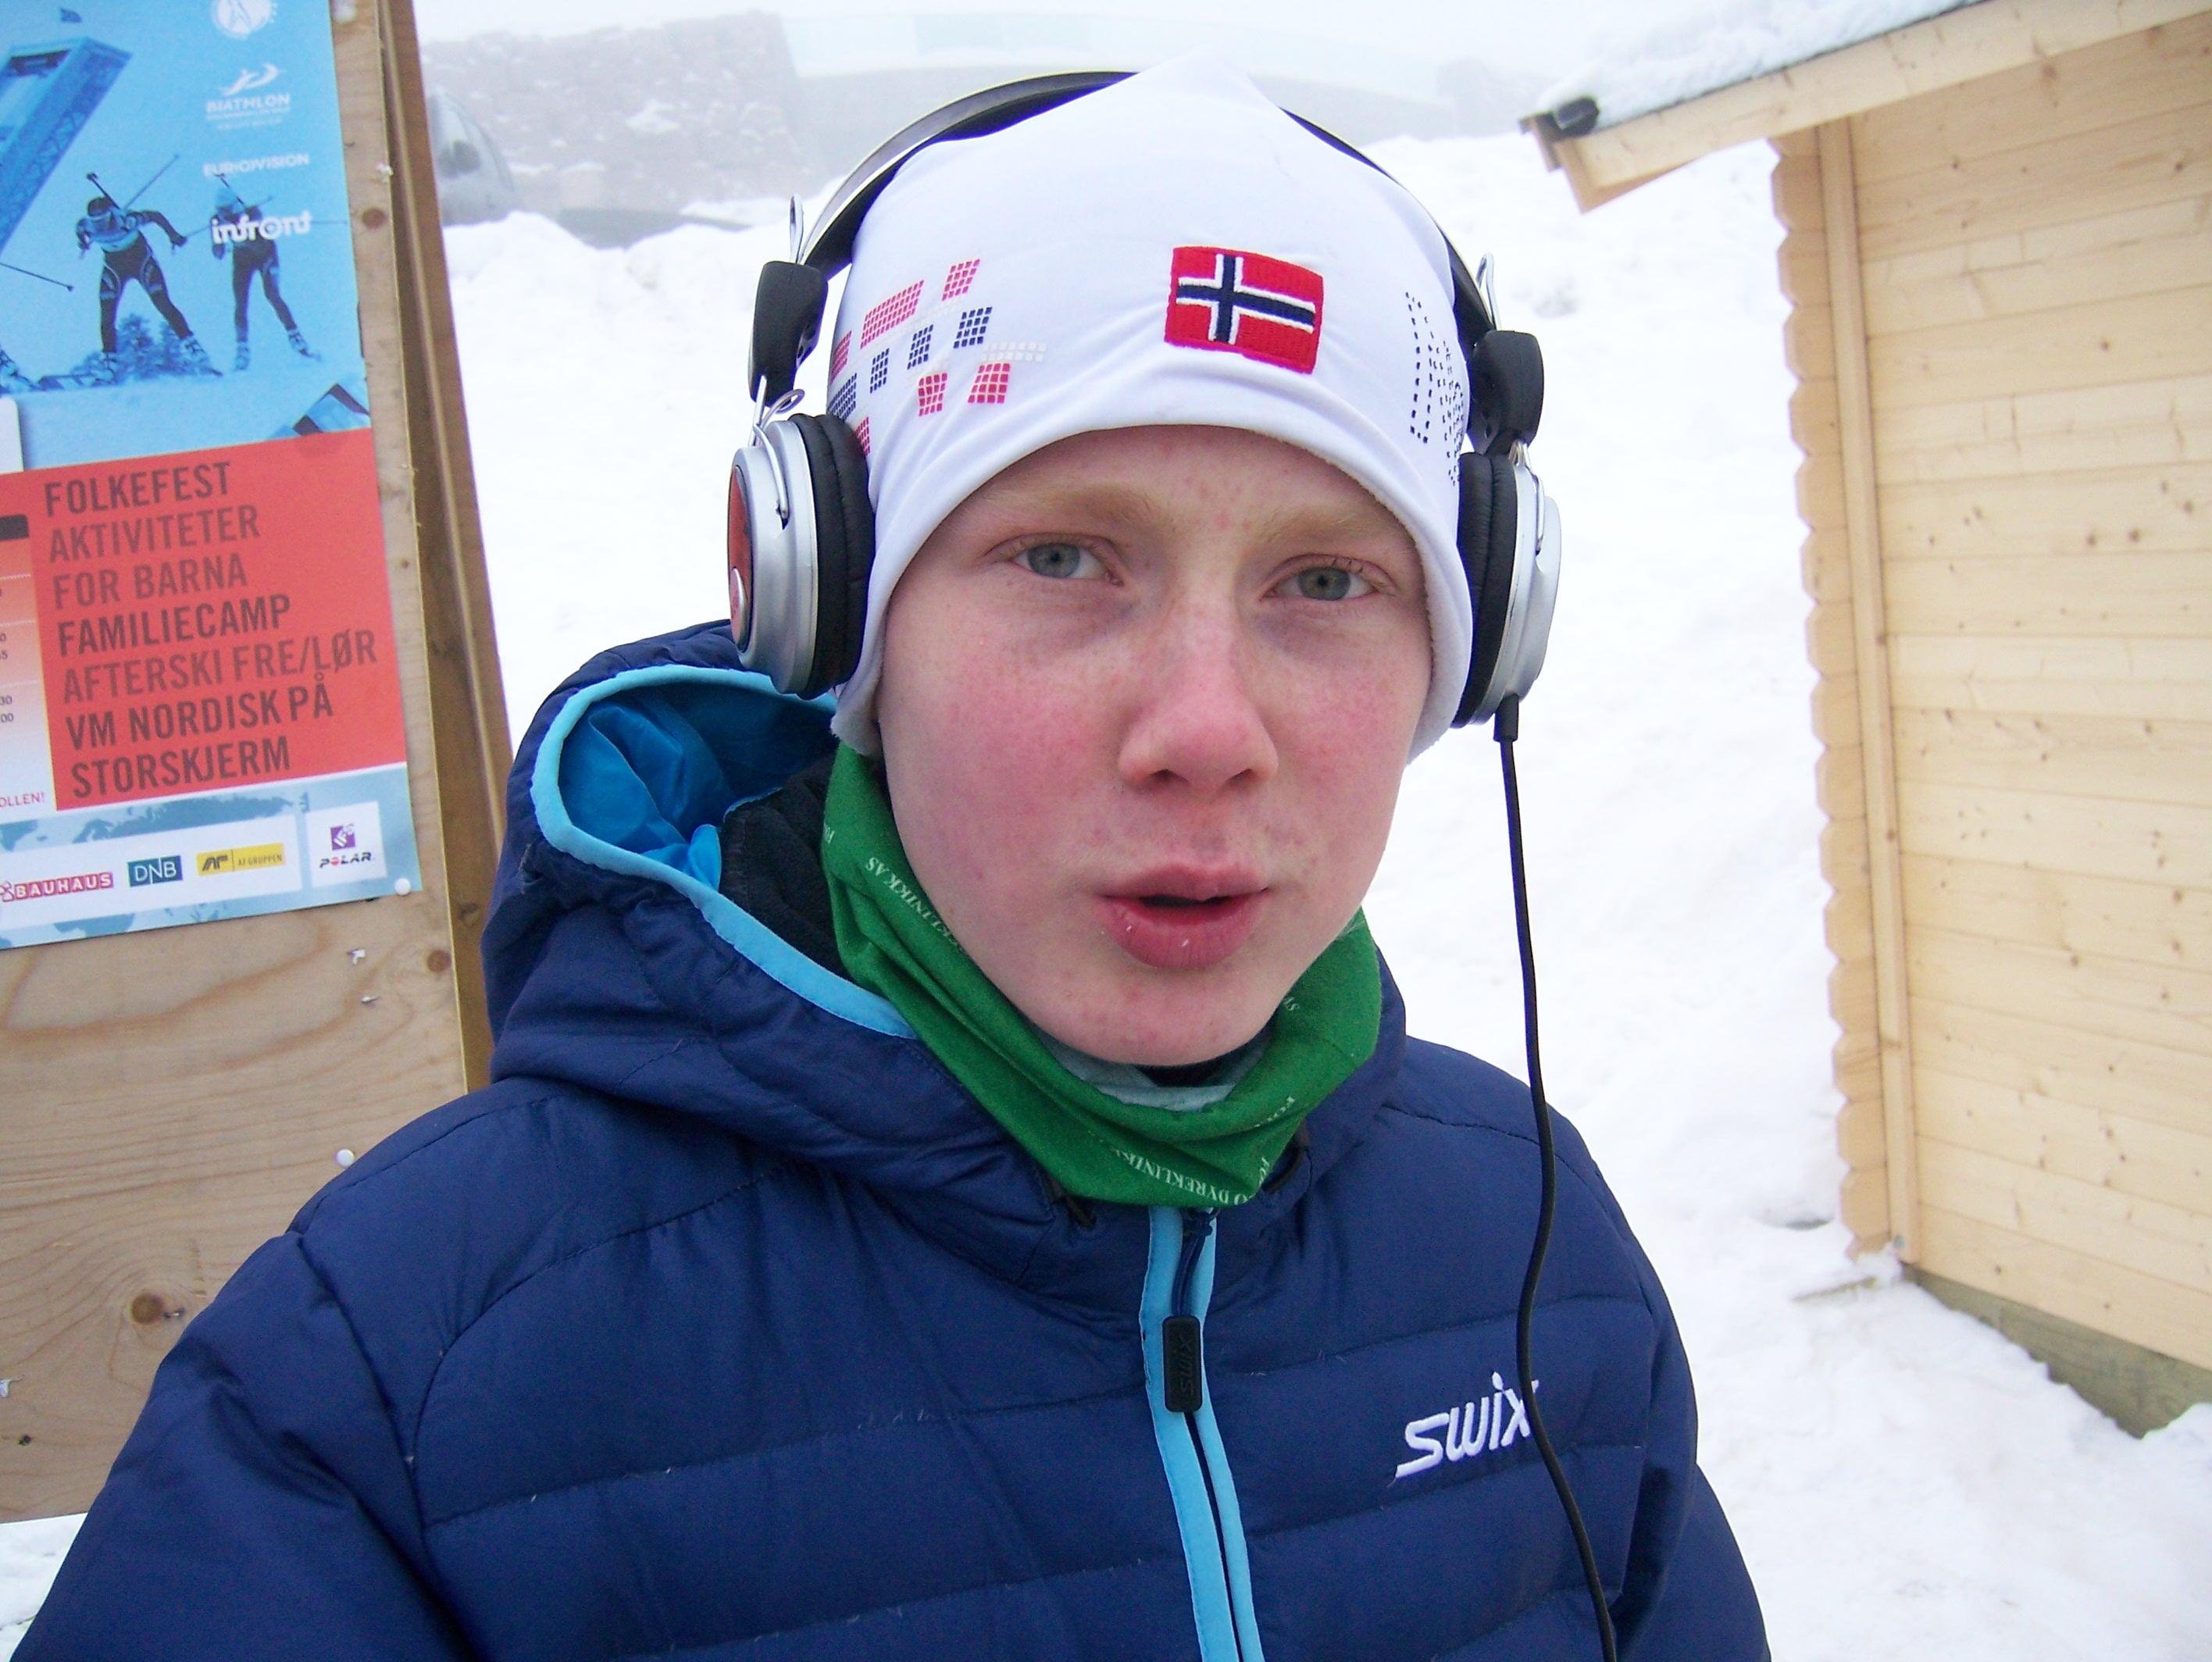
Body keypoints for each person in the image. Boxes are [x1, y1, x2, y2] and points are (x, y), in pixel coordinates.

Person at [20, 60, 1765, 1660]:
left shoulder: (1536, 1254)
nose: (1204, 727)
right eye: (1064, 557)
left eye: (1327, 580)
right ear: (836, 616)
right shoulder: (392, 1367)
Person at [73, 194, 212, 379]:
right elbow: (80, 233)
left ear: (110, 214)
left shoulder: (127, 219)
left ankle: (193, 347)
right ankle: (109, 363)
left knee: (162, 303)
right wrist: (83, 243)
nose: (99, 226)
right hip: (114, 267)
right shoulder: (84, 225)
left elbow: (155, 216)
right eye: (95, 222)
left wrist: (173, 235)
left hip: (140, 260)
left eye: (102, 220)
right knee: (106, 313)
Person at [211, 184, 315, 371]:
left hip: (265, 257)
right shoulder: (217, 221)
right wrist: (221, 246)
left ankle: (295, 335)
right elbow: (217, 250)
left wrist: (241, 235)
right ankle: (241, 348)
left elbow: (261, 245)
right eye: (220, 211)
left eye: (226, 210)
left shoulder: (252, 213)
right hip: (242, 260)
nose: (223, 214)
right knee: (240, 301)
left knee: (272, 294)